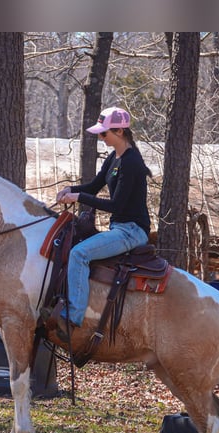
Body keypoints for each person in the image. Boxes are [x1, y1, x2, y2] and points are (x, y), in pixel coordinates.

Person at [54, 106, 152, 337]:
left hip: (132, 231)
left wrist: (78, 197)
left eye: (104, 133)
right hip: (118, 228)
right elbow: (94, 186)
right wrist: (71, 188)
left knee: (79, 254)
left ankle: (74, 316)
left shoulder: (131, 163)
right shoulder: (114, 157)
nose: (100, 137)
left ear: (119, 131)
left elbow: (116, 205)